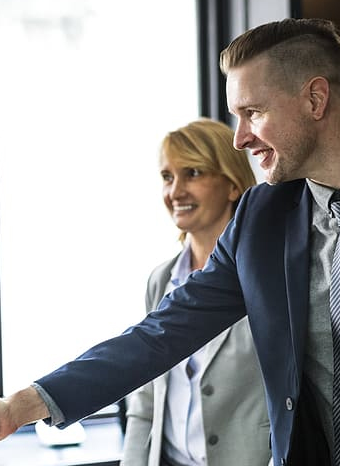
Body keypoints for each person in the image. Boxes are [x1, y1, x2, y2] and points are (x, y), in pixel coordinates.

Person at [0, 18, 340, 466]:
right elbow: (159, 335)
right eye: (237, 117)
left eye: (254, 112)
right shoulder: (262, 218)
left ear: (315, 98)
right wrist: (19, 406)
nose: (240, 138)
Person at [120, 119, 269, 466]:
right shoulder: (160, 280)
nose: (176, 192)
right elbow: (145, 403)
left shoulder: (267, 276)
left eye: (194, 173)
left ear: (233, 185)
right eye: (167, 177)